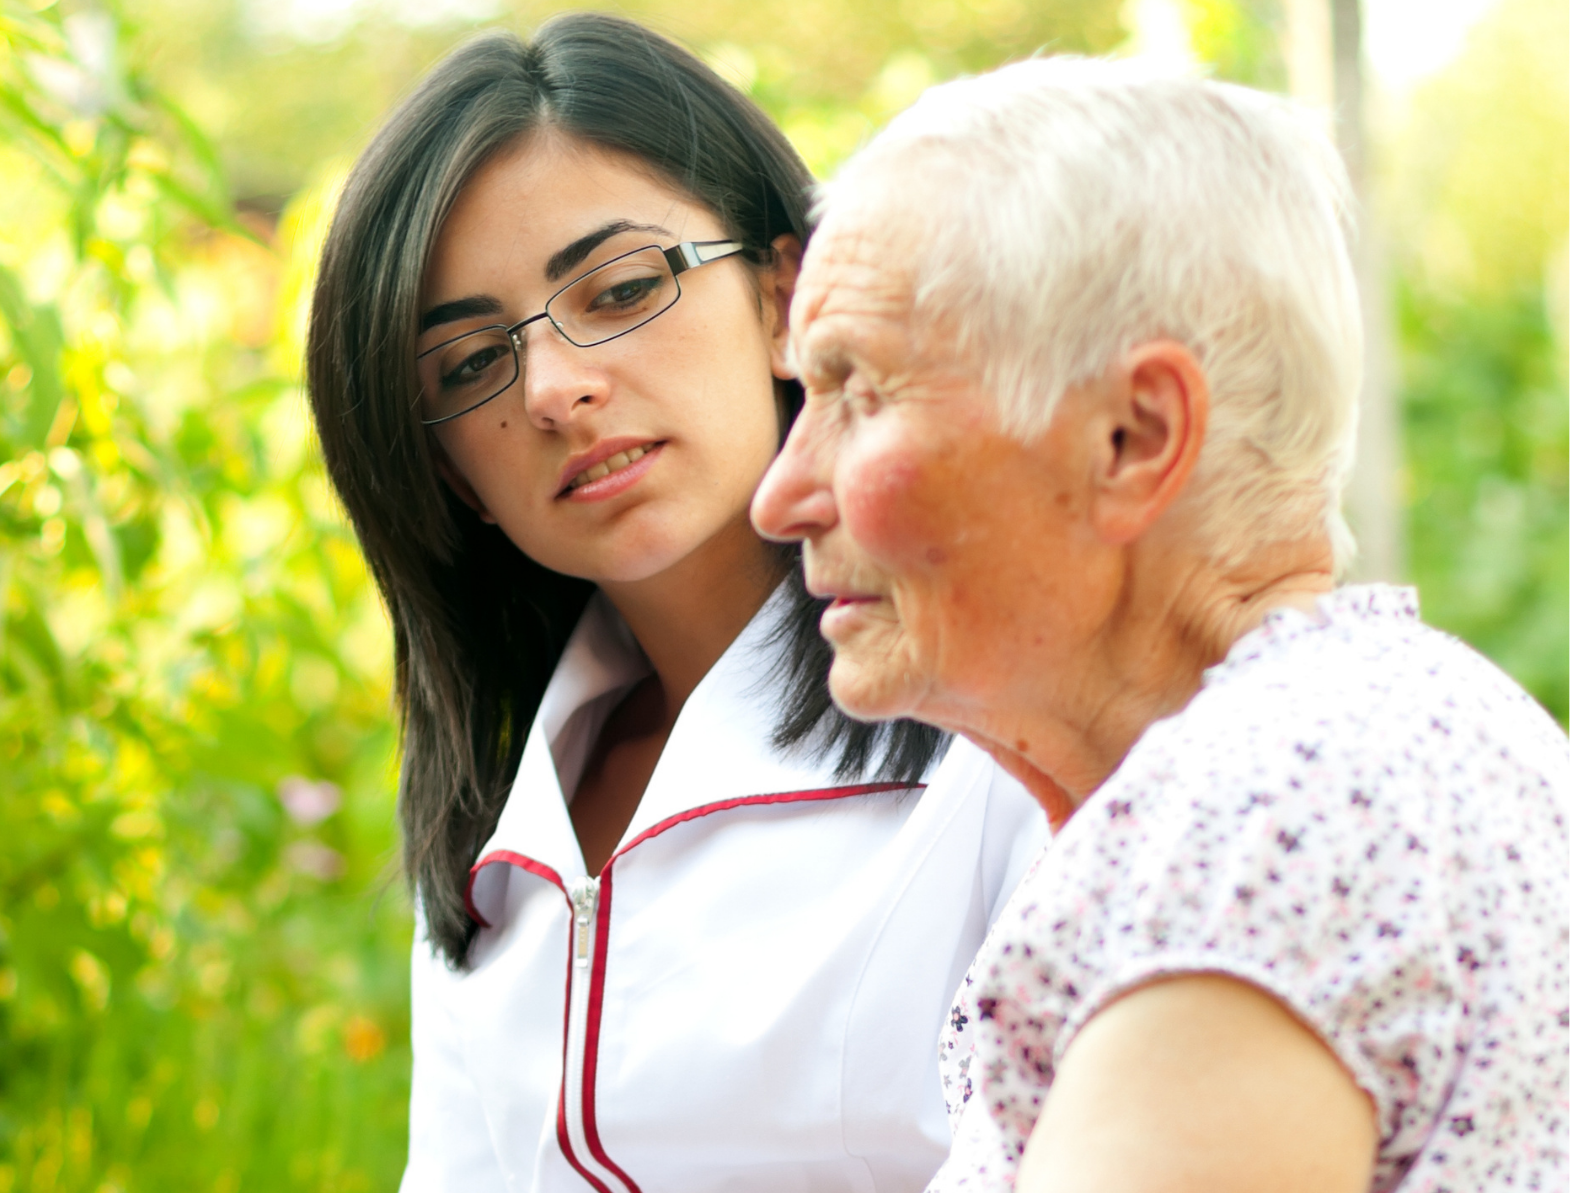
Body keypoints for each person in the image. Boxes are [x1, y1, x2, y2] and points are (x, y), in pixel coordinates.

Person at [752, 58, 1568, 1193]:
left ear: (1132, 436)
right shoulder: (1369, 743)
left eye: (859, 394)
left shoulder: (1271, 806)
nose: (779, 496)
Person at [304, 14, 1047, 1192]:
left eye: (622, 287)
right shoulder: (503, 831)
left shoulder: (1008, 734)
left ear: (781, 296)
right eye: (468, 366)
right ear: (450, 472)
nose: (554, 387)